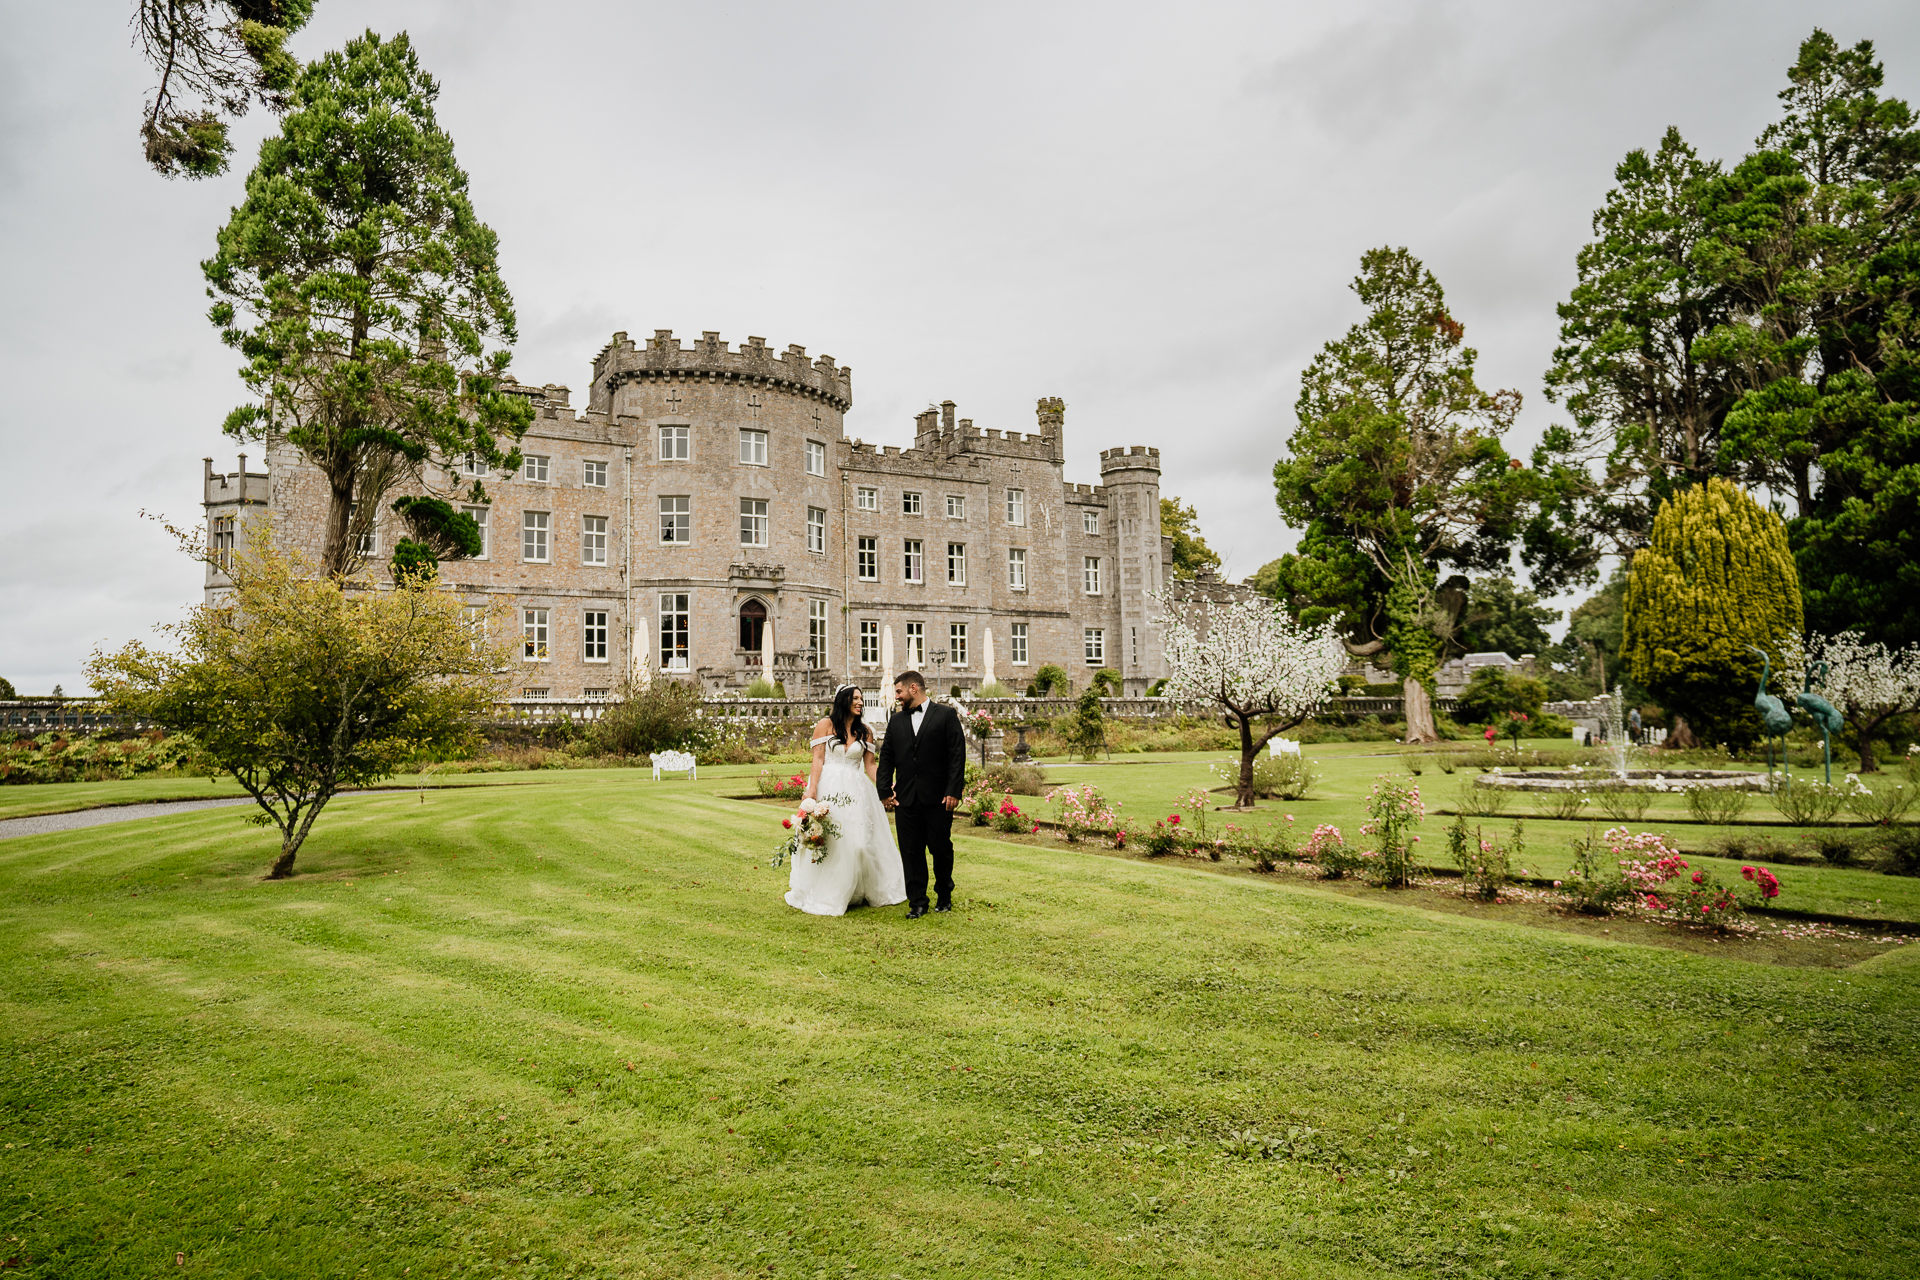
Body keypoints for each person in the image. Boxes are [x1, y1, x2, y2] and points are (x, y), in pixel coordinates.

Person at [785, 685, 908, 917]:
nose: (861, 702)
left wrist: (886, 786)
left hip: (858, 791)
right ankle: (833, 891)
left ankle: (859, 889)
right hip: (829, 789)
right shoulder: (825, 725)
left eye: (861, 699)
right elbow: (818, 760)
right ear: (844, 700)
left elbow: (870, 765)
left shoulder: (866, 731)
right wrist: (811, 789)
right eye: (856, 698)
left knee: (861, 843)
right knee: (833, 841)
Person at [875, 670, 968, 919]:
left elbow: (957, 755)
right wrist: (884, 790)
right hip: (906, 799)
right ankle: (917, 902)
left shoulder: (946, 715)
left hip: (938, 798)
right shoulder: (896, 721)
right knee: (911, 852)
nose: (896, 697)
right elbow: (886, 758)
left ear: (913, 688)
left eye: (899, 691)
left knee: (941, 849)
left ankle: (944, 895)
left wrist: (953, 791)